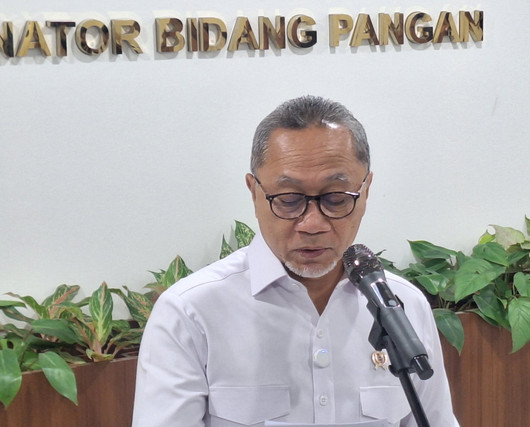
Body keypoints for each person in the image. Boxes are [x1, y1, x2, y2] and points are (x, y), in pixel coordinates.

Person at [132, 95, 459, 427]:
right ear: (254, 191)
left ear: (366, 189)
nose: (312, 224)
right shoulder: (191, 313)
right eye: (288, 200)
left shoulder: (403, 305)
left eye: (335, 199)